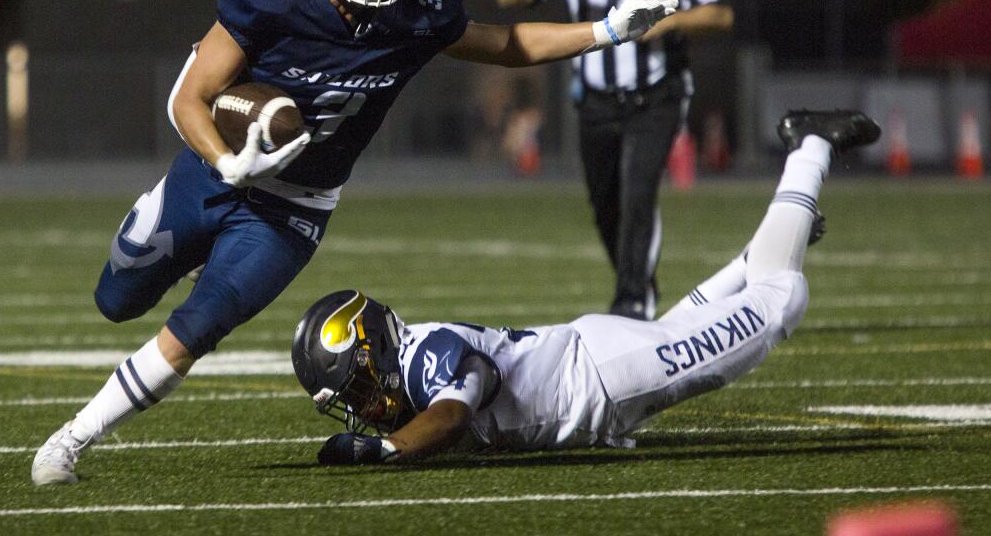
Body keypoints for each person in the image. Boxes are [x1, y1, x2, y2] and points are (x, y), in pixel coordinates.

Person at [29, 0, 679, 485]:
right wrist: (229, 160)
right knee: (115, 302)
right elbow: (187, 97)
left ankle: (75, 436)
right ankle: (188, 246)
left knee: (200, 327)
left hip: (294, 206)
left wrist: (609, 29)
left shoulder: (418, 6)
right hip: (212, 173)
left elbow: (504, 44)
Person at [291, 110, 880, 464]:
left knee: (782, 300)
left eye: (360, 386)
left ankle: (811, 146)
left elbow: (449, 415)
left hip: (603, 375)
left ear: (376, 348)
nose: (365, 408)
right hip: (598, 365)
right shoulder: (413, 366)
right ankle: (761, 249)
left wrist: (386, 450)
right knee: (694, 319)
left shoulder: (425, 356)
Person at [496, 0, 735, 320]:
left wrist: (667, 24)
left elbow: (720, 13)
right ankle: (636, 283)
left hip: (656, 95)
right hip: (595, 102)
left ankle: (633, 302)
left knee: (638, 189)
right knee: (606, 203)